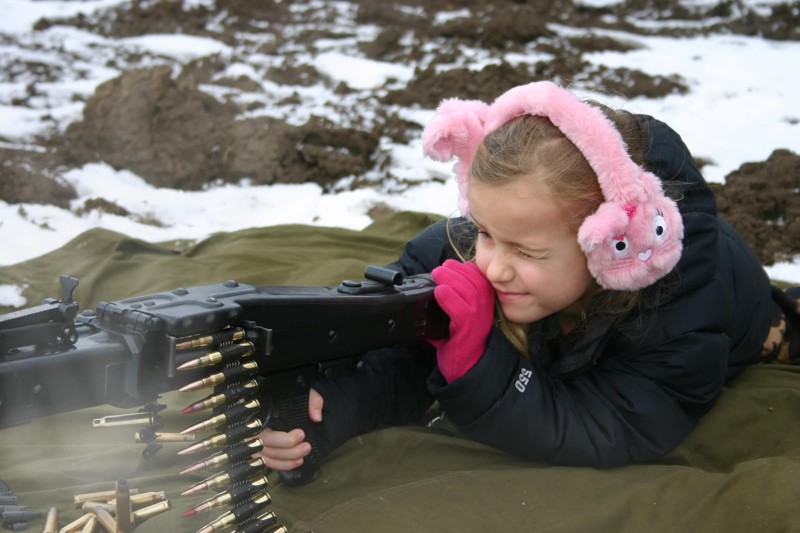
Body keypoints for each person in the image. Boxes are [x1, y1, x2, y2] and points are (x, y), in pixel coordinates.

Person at [254, 80, 799, 474]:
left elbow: (614, 425)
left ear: (612, 245)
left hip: (739, 300)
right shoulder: (468, 250)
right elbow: (397, 362)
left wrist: (477, 366)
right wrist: (327, 412)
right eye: (485, 231)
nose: (491, 265)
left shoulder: (678, 307)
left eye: (526, 250)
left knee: (775, 336)